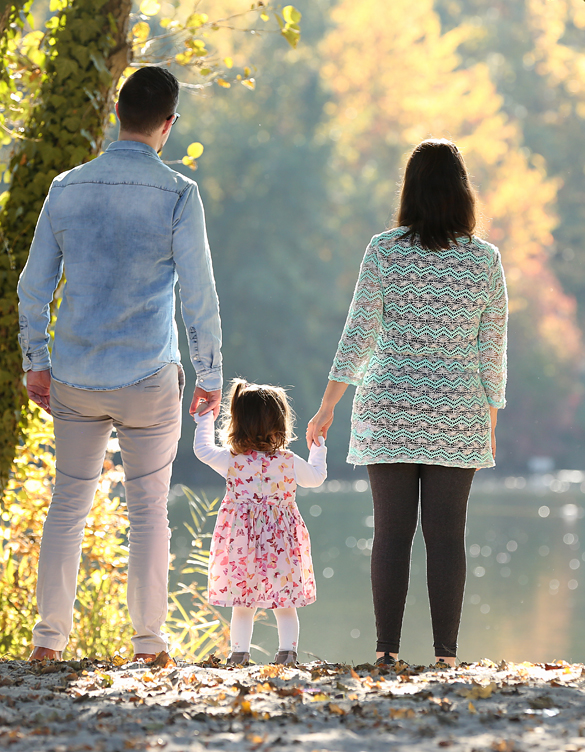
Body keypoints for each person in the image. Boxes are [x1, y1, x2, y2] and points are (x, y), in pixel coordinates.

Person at [17, 66, 223, 662]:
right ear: (168, 124)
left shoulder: (66, 188)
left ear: (116, 113)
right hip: (149, 378)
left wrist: (37, 361)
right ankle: (149, 644)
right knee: (149, 509)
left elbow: (34, 289)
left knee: (68, 505)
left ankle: (48, 642)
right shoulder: (180, 195)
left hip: (75, 376)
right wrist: (209, 374)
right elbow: (199, 294)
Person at [306, 139, 508, 668]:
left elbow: (358, 334)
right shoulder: (485, 261)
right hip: (457, 412)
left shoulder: (384, 250)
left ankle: (385, 652)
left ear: (409, 190)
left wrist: (328, 404)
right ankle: (446, 657)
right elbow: (492, 351)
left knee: (390, 533)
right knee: (447, 539)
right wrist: (487, 421)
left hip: (388, 407)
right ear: (463, 193)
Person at [193, 379, 326, 667]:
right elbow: (316, 478)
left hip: (242, 544)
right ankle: (288, 654)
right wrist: (317, 446)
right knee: (285, 604)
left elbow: (202, 450)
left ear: (237, 421)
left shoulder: (232, 460)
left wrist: (204, 418)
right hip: (281, 543)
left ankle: (239, 656)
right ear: (281, 423)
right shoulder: (288, 461)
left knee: (243, 604)